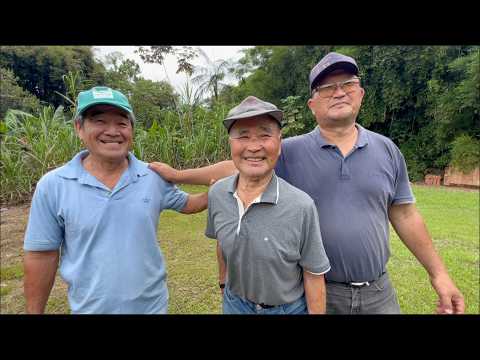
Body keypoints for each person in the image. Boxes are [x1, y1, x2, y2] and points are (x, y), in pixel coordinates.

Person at [149, 53, 465, 314]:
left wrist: (439, 274)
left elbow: (406, 215)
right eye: (327, 88)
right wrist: (178, 175)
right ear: (312, 105)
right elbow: (237, 165)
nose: (339, 92)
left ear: (361, 94)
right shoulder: (289, 151)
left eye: (348, 84)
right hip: (317, 288)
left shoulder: (387, 150)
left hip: (378, 292)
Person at [23, 86, 208, 314]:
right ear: (79, 128)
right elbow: (41, 255)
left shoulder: (152, 176)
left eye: (121, 123)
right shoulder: (52, 185)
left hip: (152, 307)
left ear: (131, 130)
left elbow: (190, 204)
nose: (112, 131)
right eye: (99, 121)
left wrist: (222, 188)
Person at [206, 96, 330, 314]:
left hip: (286, 309)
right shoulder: (217, 194)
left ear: (279, 144)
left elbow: (313, 275)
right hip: (235, 304)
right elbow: (222, 244)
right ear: (231, 144)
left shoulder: (301, 206)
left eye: (264, 135)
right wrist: (223, 282)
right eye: (243, 136)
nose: (254, 147)